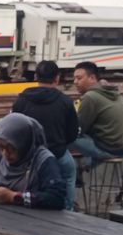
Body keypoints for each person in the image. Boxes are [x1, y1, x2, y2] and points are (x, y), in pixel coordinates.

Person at [12, 60, 79, 210]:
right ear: (57, 78)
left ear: (36, 76)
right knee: (69, 173)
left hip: (28, 158)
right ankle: (68, 210)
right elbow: (72, 134)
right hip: (57, 153)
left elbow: (13, 128)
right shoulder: (65, 101)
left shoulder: (22, 99)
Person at [69, 61, 123, 167]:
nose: (75, 82)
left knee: (67, 136)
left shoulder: (90, 96)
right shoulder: (113, 92)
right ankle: (85, 166)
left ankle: (78, 170)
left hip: (107, 149)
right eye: (74, 78)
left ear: (92, 78)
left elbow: (79, 128)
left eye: (79, 78)